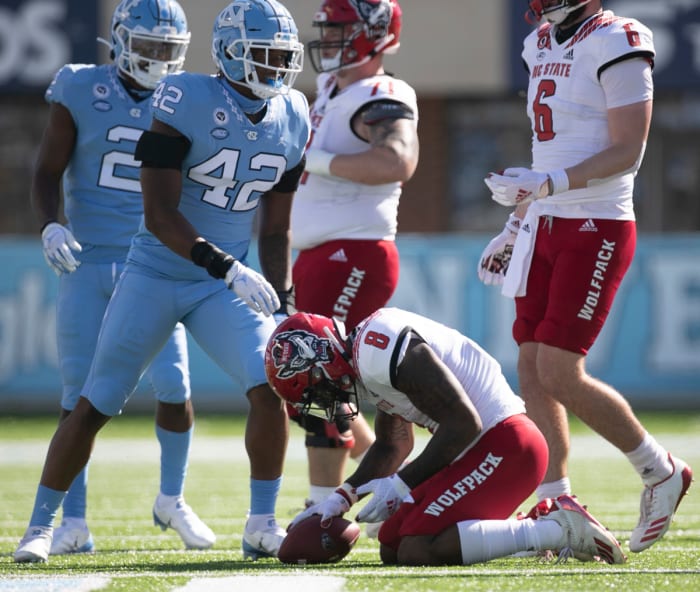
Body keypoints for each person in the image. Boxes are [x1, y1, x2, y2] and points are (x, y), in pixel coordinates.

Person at [14, 0, 309, 563]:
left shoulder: (295, 112)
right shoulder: (186, 98)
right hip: (156, 271)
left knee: (268, 384)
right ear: (228, 54)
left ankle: (261, 522)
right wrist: (228, 266)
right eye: (263, 57)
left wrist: (284, 301)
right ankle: (42, 526)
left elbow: (277, 227)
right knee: (94, 403)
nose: (275, 70)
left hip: (223, 282)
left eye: (282, 59)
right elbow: (158, 214)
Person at [478, 0, 692, 553]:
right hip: (546, 221)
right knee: (529, 361)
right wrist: (515, 220)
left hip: (597, 222)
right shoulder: (540, 42)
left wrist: (549, 184)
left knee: (559, 368)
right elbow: (548, 147)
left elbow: (627, 149)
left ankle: (660, 468)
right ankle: (558, 501)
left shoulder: (618, 38)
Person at [30, 0, 214, 555]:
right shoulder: (80, 87)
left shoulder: (187, 98)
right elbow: (46, 169)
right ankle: (72, 522)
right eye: (149, 45)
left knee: (175, 387)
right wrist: (50, 225)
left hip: (155, 264)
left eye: (169, 49)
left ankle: (172, 498)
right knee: (77, 395)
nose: (159, 59)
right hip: (86, 259)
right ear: (121, 40)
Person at [264, 309, 627, 566]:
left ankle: (557, 529)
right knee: (391, 545)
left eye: (314, 388)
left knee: (417, 550)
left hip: (507, 444)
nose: (324, 400)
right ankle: (517, 532)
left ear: (318, 354)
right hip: (479, 452)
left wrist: (401, 485)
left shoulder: (377, 347)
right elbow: (394, 444)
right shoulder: (366, 358)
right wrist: (341, 497)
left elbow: (464, 423)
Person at [288, 0, 420, 514]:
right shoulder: (333, 89)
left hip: (354, 251)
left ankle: (322, 503)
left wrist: (315, 160)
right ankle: (396, 484)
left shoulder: (380, 93)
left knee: (319, 376)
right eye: (327, 28)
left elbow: (397, 159)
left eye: (340, 28)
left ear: (375, 35)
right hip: (324, 252)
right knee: (314, 380)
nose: (328, 37)